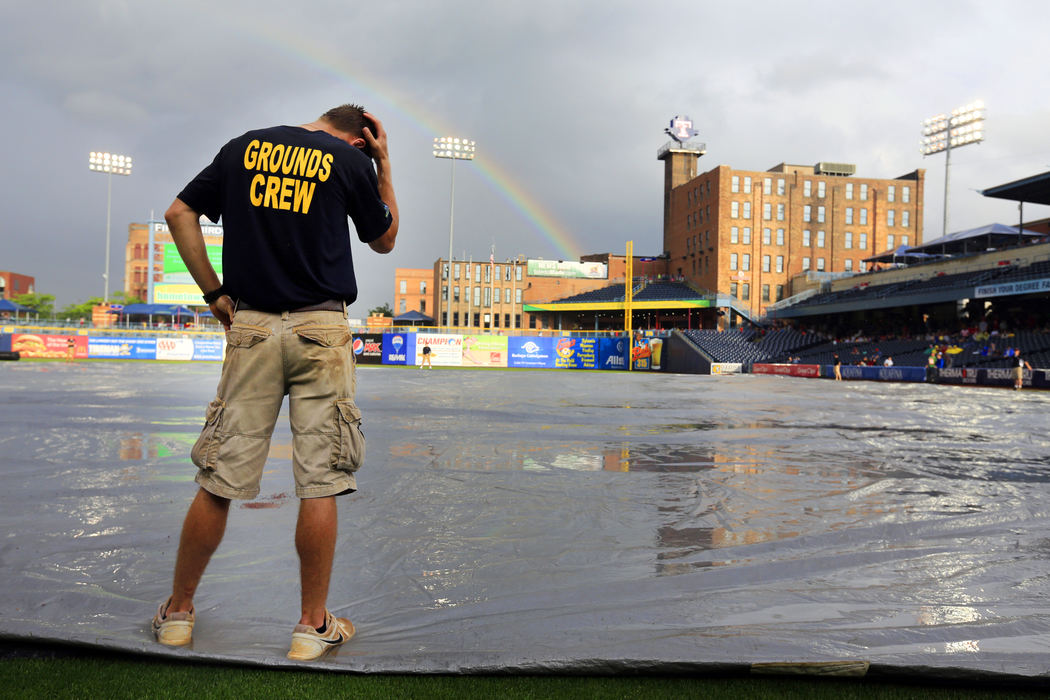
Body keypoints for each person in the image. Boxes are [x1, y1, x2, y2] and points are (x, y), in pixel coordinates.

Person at [151, 103, 398, 661]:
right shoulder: (350, 159)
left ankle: (178, 614)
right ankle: (312, 627)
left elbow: (177, 213)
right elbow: (384, 239)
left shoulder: (243, 147)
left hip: (252, 324)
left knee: (219, 476)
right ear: (360, 137)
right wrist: (383, 165)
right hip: (322, 326)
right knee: (321, 479)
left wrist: (214, 292)